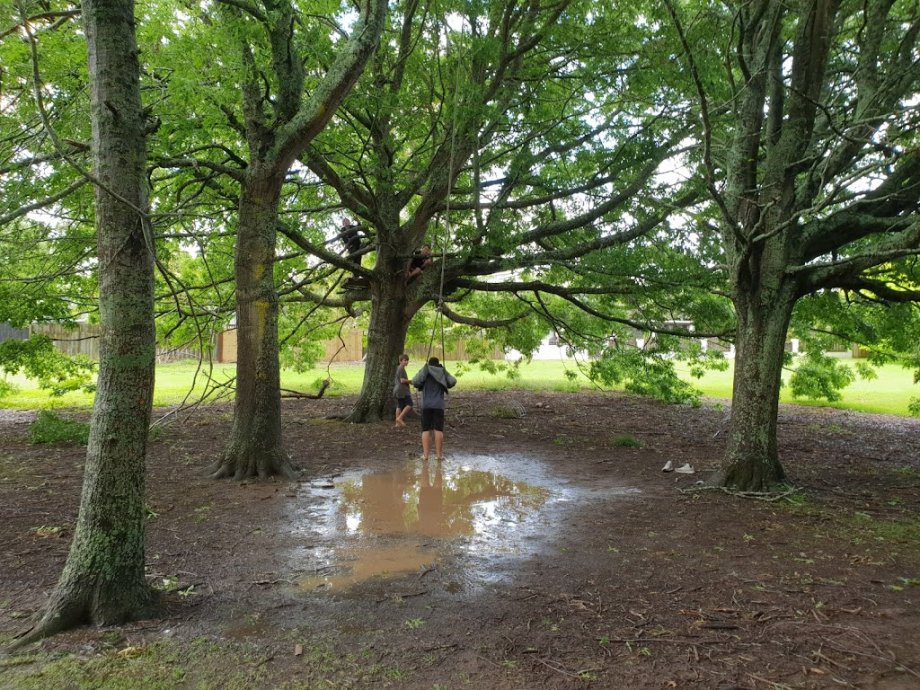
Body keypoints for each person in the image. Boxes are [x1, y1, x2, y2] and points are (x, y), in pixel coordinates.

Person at [411, 356, 457, 461]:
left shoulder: (425, 371)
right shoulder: (441, 372)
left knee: (425, 429)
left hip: (426, 405)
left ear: (429, 363)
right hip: (439, 405)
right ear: (438, 364)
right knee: (438, 429)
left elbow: (415, 381)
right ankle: (439, 456)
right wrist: (444, 371)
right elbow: (453, 381)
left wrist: (424, 369)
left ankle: (425, 455)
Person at [393, 354, 413, 427]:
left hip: (398, 390)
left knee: (400, 405)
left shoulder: (400, 368)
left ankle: (397, 424)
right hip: (402, 390)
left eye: (407, 360)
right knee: (410, 404)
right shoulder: (401, 368)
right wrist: (410, 381)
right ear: (400, 361)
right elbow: (402, 381)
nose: (406, 362)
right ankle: (400, 418)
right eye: (405, 360)